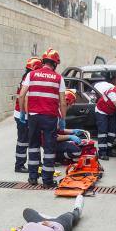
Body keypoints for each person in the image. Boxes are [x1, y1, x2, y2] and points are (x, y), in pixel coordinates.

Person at [19, 48, 67, 189]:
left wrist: (23, 112)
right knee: (49, 148)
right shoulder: (59, 78)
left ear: (44, 61)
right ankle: (47, 181)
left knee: (33, 146)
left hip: (33, 117)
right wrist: (63, 119)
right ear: (55, 64)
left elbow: (22, 95)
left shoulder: (31, 75)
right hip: (50, 117)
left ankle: (32, 178)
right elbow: (63, 102)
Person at [14, 56, 42, 173]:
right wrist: (26, 115)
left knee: (28, 139)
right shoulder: (30, 79)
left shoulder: (25, 77)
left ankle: (36, 162)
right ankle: (19, 165)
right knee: (24, 140)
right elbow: (25, 99)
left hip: (21, 113)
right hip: (24, 114)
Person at [95, 81, 116, 160]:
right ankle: (102, 152)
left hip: (111, 112)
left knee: (112, 132)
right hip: (101, 111)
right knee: (103, 132)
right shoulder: (112, 93)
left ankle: (109, 150)